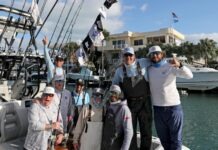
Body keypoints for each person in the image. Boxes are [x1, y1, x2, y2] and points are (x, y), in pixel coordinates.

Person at [147, 45, 193, 150]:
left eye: (157, 53)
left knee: (176, 140)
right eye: (152, 54)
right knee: (163, 139)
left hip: (173, 108)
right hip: (158, 109)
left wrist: (180, 65)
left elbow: (189, 75)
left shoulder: (171, 66)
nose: (155, 56)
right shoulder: (149, 70)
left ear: (162, 54)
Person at [112, 47, 152, 150]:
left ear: (135, 56)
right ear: (123, 57)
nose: (128, 57)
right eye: (126, 55)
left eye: (130, 55)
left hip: (145, 103)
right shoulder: (119, 71)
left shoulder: (143, 62)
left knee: (146, 130)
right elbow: (114, 87)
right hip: (129, 104)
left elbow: (156, 60)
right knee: (130, 131)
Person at [101, 85, 133, 150]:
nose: (113, 95)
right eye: (111, 93)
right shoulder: (106, 106)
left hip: (116, 146)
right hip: (104, 145)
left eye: (115, 93)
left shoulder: (124, 109)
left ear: (119, 95)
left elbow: (129, 132)